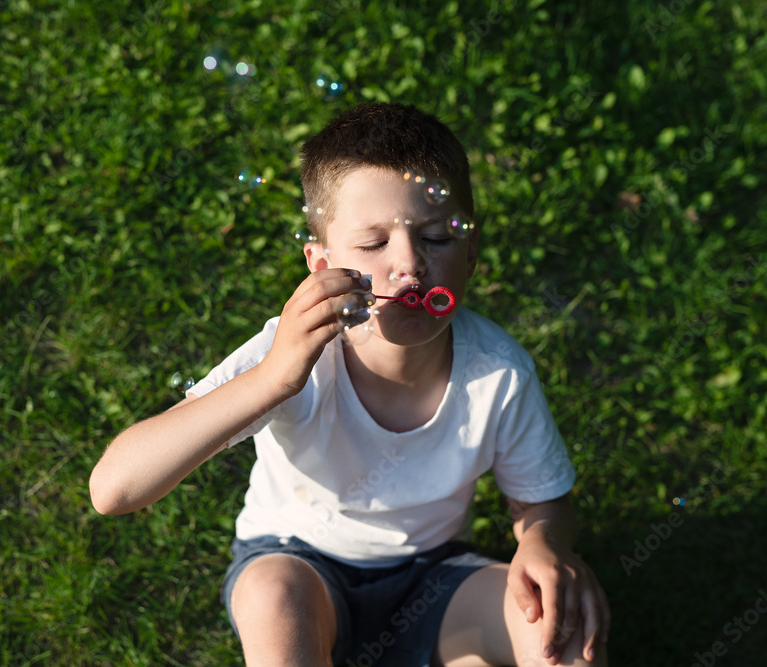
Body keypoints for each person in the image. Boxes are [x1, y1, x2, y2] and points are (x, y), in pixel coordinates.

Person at [90, 102, 610, 667]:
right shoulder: (290, 353)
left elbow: (542, 499)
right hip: (297, 566)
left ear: (472, 253)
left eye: (436, 237)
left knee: (561, 635)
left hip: (434, 576)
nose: (409, 264)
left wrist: (542, 542)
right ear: (320, 265)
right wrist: (274, 379)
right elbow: (114, 490)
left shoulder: (499, 372)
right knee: (271, 597)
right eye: (372, 244)